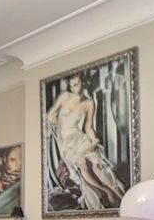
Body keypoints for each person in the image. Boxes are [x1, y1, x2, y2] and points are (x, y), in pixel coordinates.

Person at [47, 74, 126, 210]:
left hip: (80, 138)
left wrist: (93, 141)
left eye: (76, 84)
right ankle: (105, 192)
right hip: (66, 144)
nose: (73, 88)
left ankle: (121, 197)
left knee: (97, 166)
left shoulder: (89, 103)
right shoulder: (65, 96)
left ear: (84, 83)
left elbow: (88, 126)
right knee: (82, 162)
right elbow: (51, 115)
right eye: (71, 85)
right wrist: (56, 122)